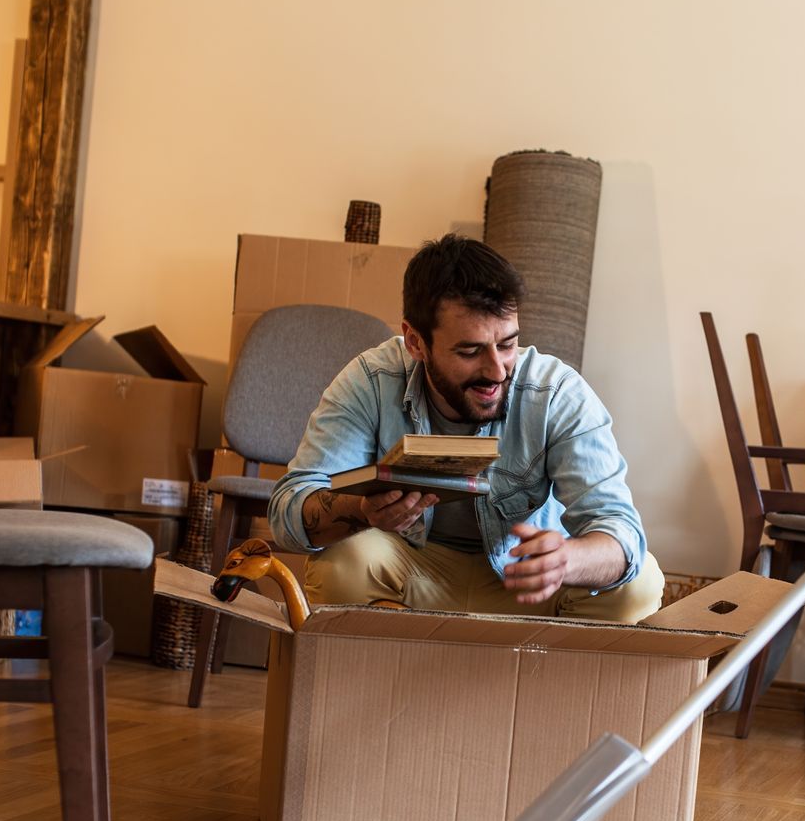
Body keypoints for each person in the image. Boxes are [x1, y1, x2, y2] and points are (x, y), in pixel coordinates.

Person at [270, 234, 664, 622]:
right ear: (415, 341)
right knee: (340, 564)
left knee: (640, 582)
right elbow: (288, 510)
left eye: (508, 344)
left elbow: (620, 531)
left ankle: (538, 680)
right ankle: (395, 673)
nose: (496, 371)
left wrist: (566, 561)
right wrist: (359, 509)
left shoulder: (556, 393)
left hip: (526, 586)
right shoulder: (371, 381)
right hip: (416, 578)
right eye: (470, 351)